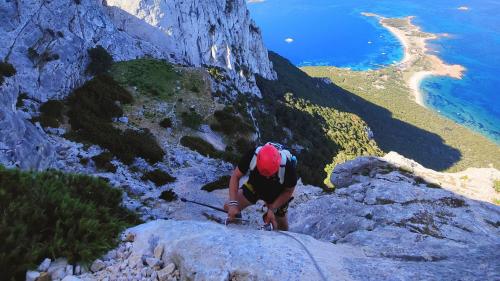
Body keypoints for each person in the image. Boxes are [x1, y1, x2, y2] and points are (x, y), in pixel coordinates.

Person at [224, 143, 297, 231]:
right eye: (263, 174)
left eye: (270, 175)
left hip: (277, 193)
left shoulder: (288, 169)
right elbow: (235, 176)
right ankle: (237, 224)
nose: (267, 177)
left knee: (280, 226)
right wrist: (233, 204)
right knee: (228, 206)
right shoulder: (252, 155)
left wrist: (272, 208)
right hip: (255, 187)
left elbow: (288, 191)